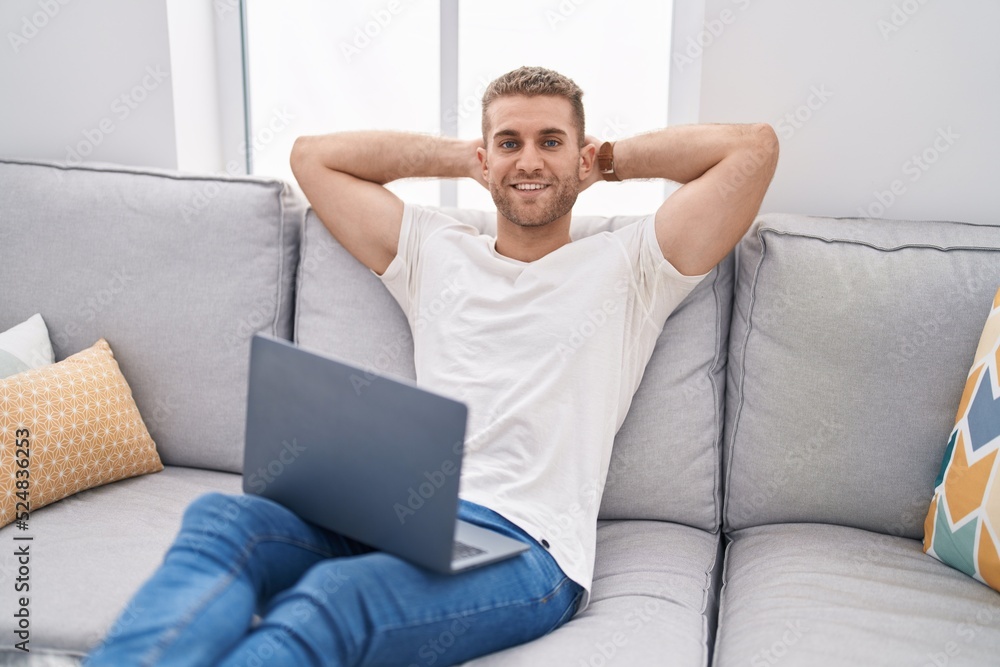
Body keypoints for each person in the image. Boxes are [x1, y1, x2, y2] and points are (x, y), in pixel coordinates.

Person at [86, 66, 778, 666]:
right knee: (222, 520)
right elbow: (313, 158)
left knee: (331, 599)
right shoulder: (435, 248)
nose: (529, 160)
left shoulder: (631, 265)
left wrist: (612, 157)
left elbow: (753, 149)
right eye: (510, 143)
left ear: (580, 156)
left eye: (550, 143)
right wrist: (466, 158)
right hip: (394, 511)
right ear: (486, 157)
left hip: (525, 545)